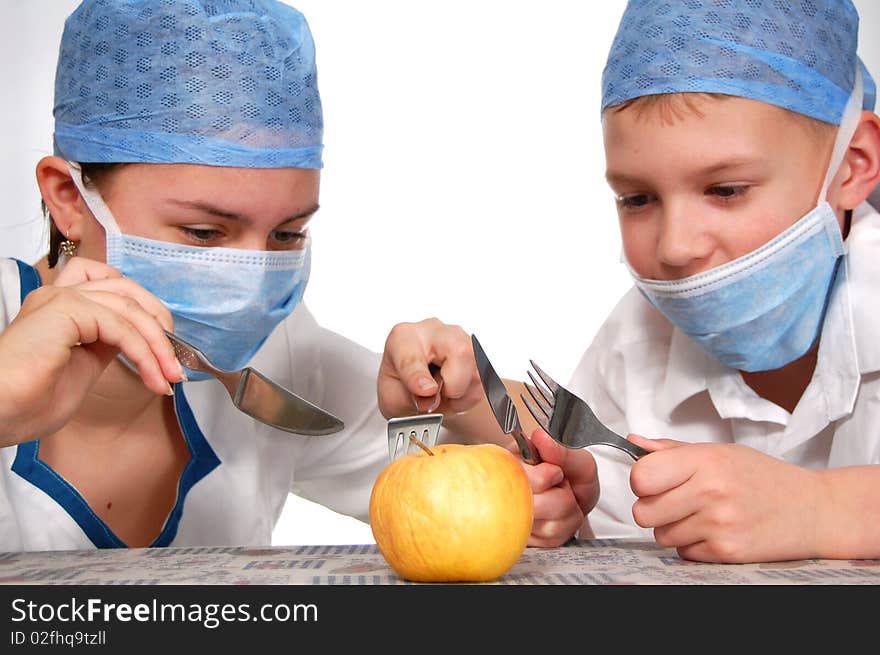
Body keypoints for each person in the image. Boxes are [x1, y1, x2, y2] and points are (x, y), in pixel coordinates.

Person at [379, 0, 880, 562]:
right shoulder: (640, 334)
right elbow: (593, 472)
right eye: (637, 199)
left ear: (854, 164)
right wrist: (560, 487)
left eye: (726, 190)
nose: (675, 247)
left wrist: (822, 510)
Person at [0, 0, 398, 552]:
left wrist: (467, 399)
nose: (250, 290)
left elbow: (477, 452)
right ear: (68, 198)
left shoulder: (273, 361)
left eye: (286, 235)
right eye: (204, 233)